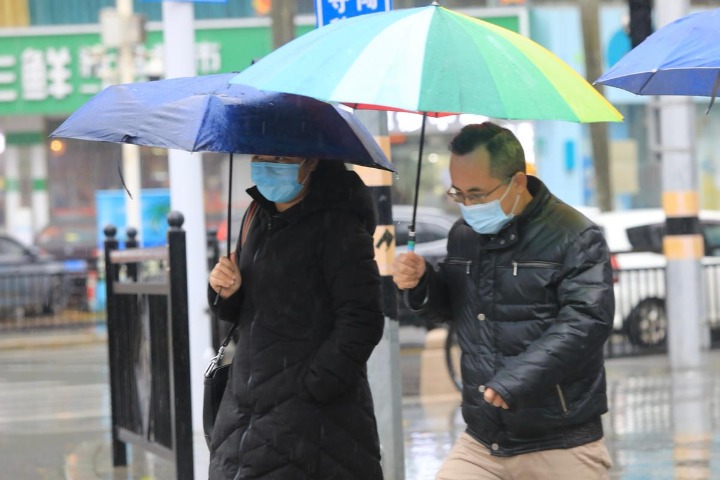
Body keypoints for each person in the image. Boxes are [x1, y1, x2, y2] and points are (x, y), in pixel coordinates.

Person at [393, 122, 615, 480]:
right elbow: (454, 307)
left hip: (562, 443)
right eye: (459, 194)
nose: (468, 205)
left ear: (518, 182)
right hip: (483, 440)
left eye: (477, 194)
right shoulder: (464, 234)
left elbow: (585, 324)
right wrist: (421, 284)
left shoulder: (575, 236)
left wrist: (514, 380)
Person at [208, 155, 385, 480]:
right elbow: (245, 311)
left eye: (281, 157)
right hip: (243, 415)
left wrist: (313, 387)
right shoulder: (256, 215)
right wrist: (226, 290)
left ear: (311, 160)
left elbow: (363, 319)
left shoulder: (339, 224)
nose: (268, 164)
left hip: (314, 425)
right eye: (261, 156)